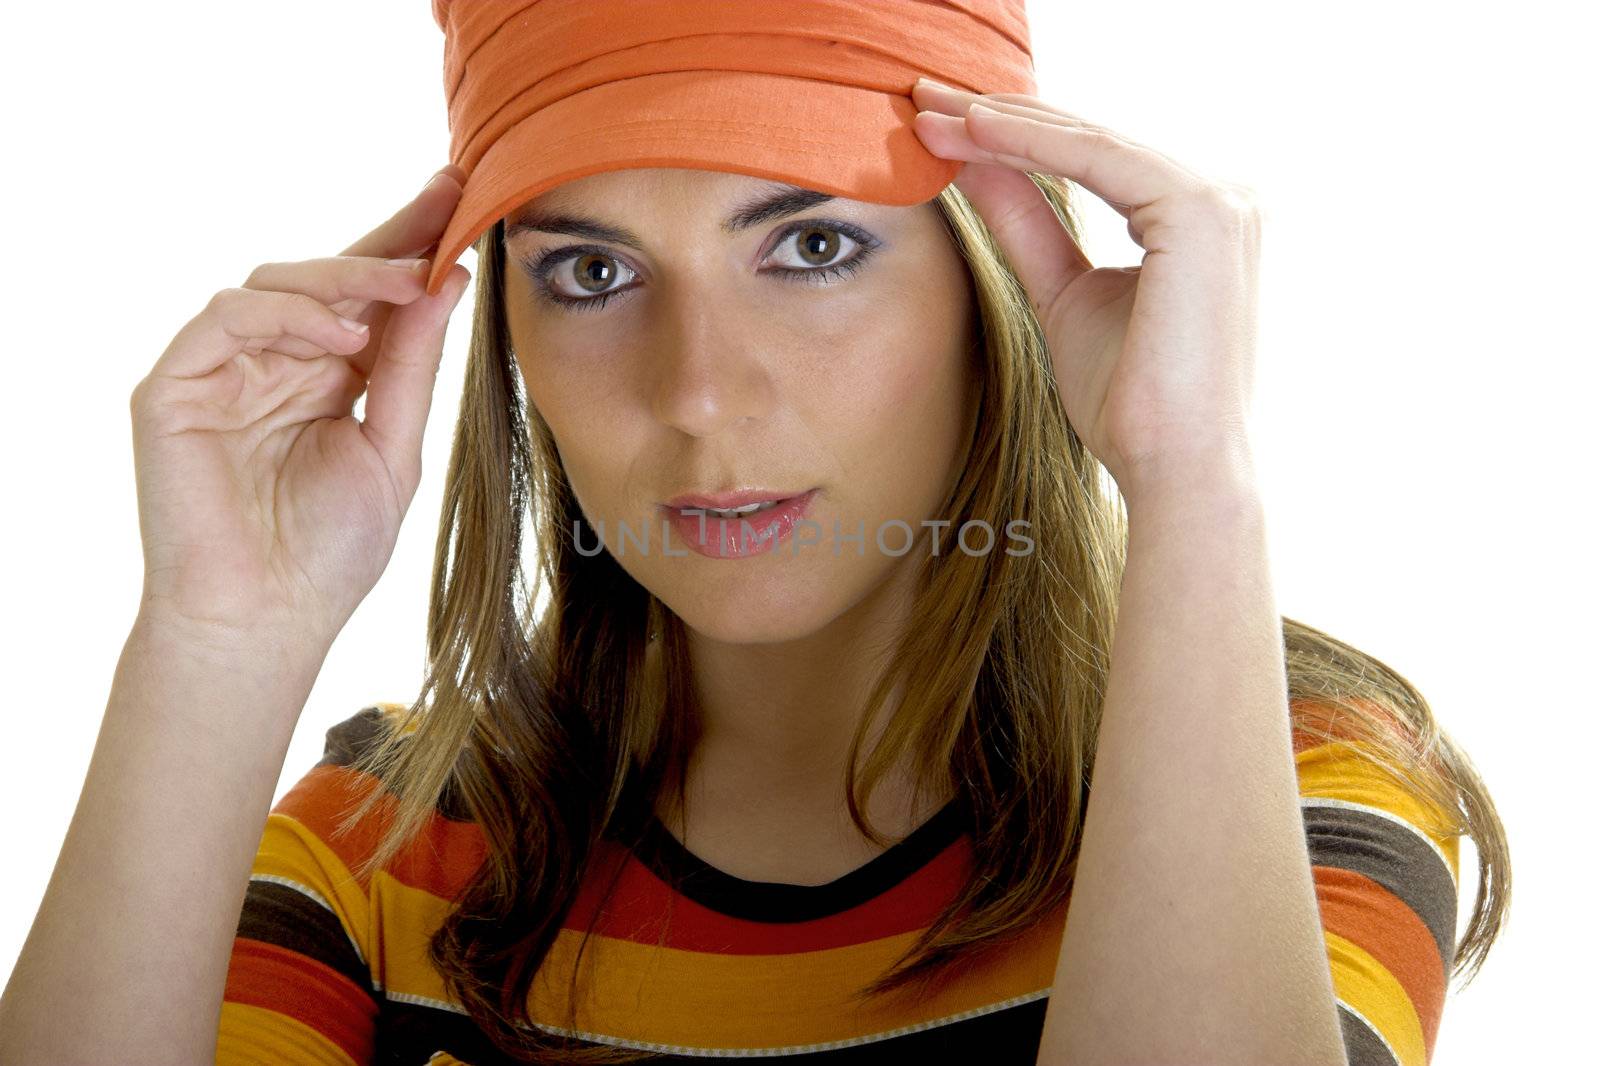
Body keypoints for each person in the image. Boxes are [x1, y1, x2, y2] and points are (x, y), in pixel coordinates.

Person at [0, 3, 1510, 1064]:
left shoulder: (1297, 774)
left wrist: (1197, 485)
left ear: (998, 273)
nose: (701, 395)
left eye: (811, 244)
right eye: (592, 271)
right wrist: (216, 638)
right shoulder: (383, 849)